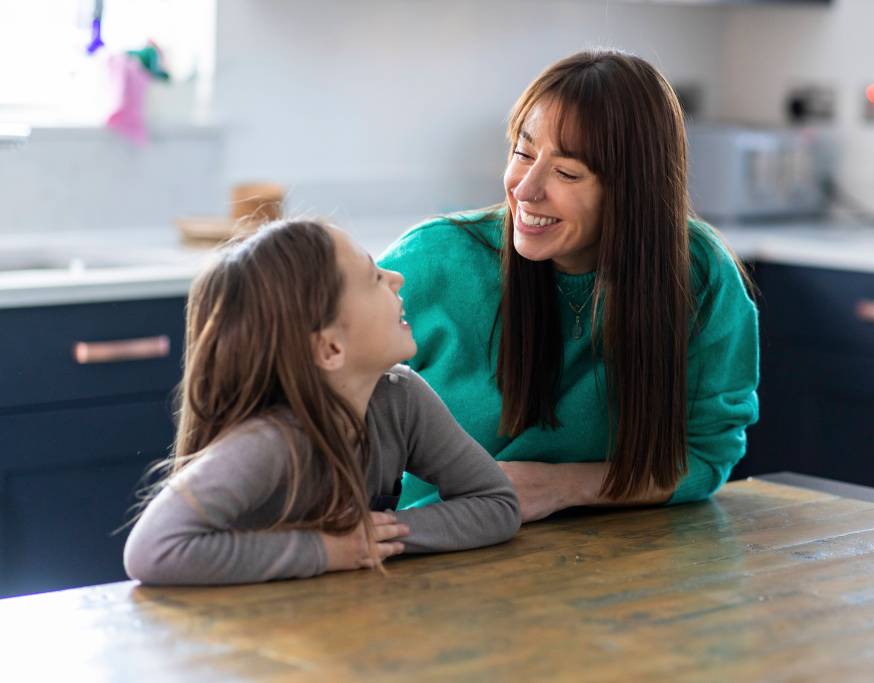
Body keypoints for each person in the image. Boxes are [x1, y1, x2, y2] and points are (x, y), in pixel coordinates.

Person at [378, 49, 759, 522]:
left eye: (566, 172)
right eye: (523, 153)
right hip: (428, 552)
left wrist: (559, 486)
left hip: (615, 563)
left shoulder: (699, 275)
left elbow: (705, 454)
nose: (526, 188)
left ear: (631, 192)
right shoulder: (433, 260)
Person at [124, 219, 520, 585]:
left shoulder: (402, 399)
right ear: (330, 348)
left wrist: (374, 538)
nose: (397, 278)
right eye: (373, 278)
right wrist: (326, 550)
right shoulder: (270, 442)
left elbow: (498, 505)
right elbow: (151, 551)